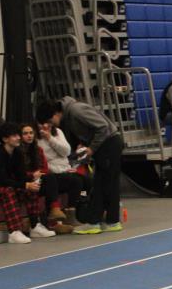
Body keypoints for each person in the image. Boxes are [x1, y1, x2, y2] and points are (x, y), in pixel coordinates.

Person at [36, 97, 125, 235]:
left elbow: (102, 127)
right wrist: (85, 145)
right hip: (108, 144)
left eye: (50, 121)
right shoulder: (71, 114)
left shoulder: (77, 110)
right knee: (108, 183)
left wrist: (91, 148)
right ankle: (112, 221)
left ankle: (94, 222)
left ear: (55, 113)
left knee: (101, 184)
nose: (52, 125)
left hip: (109, 144)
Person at [0, 122, 53, 244]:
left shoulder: (17, 153)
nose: (18, 138)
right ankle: (14, 232)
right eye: (14, 136)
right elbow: (2, 180)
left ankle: (35, 226)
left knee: (30, 190)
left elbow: (21, 177)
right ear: (5, 139)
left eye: (18, 135)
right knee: (9, 191)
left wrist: (29, 184)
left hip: (2, 185)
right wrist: (24, 184)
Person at [36, 119, 89, 226]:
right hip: (53, 172)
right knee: (76, 180)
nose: (45, 125)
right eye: (42, 123)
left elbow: (66, 151)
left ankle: (81, 211)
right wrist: (58, 155)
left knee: (87, 180)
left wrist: (50, 138)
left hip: (65, 169)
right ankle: (63, 217)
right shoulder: (37, 140)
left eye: (48, 123)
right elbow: (46, 160)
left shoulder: (58, 132)